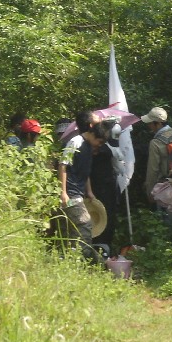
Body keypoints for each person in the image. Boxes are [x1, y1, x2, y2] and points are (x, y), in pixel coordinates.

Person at [58, 111, 109, 263]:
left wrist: (90, 192)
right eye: (99, 142)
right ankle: (85, 260)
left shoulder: (88, 148)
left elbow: (85, 172)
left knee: (71, 230)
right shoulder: (76, 141)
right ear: (92, 134)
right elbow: (63, 165)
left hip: (80, 193)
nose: (99, 146)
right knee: (85, 225)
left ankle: (69, 261)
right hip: (71, 193)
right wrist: (63, 192)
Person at [90, 119, 123, 249]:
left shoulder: (102, 146)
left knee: (106, 217)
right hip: (99, 188)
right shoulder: (101, 148)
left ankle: (103, 246)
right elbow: (120, 167)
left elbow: (118, 165)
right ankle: (100, 246)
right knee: (100, 216)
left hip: (104, 187)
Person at [142, 106, 172, 203]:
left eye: (150, 123)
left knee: (165, 216)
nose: (149, 126)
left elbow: (153, 170)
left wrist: (150, 191)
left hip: (164, 186)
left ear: (158, 123)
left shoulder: (155, 143)